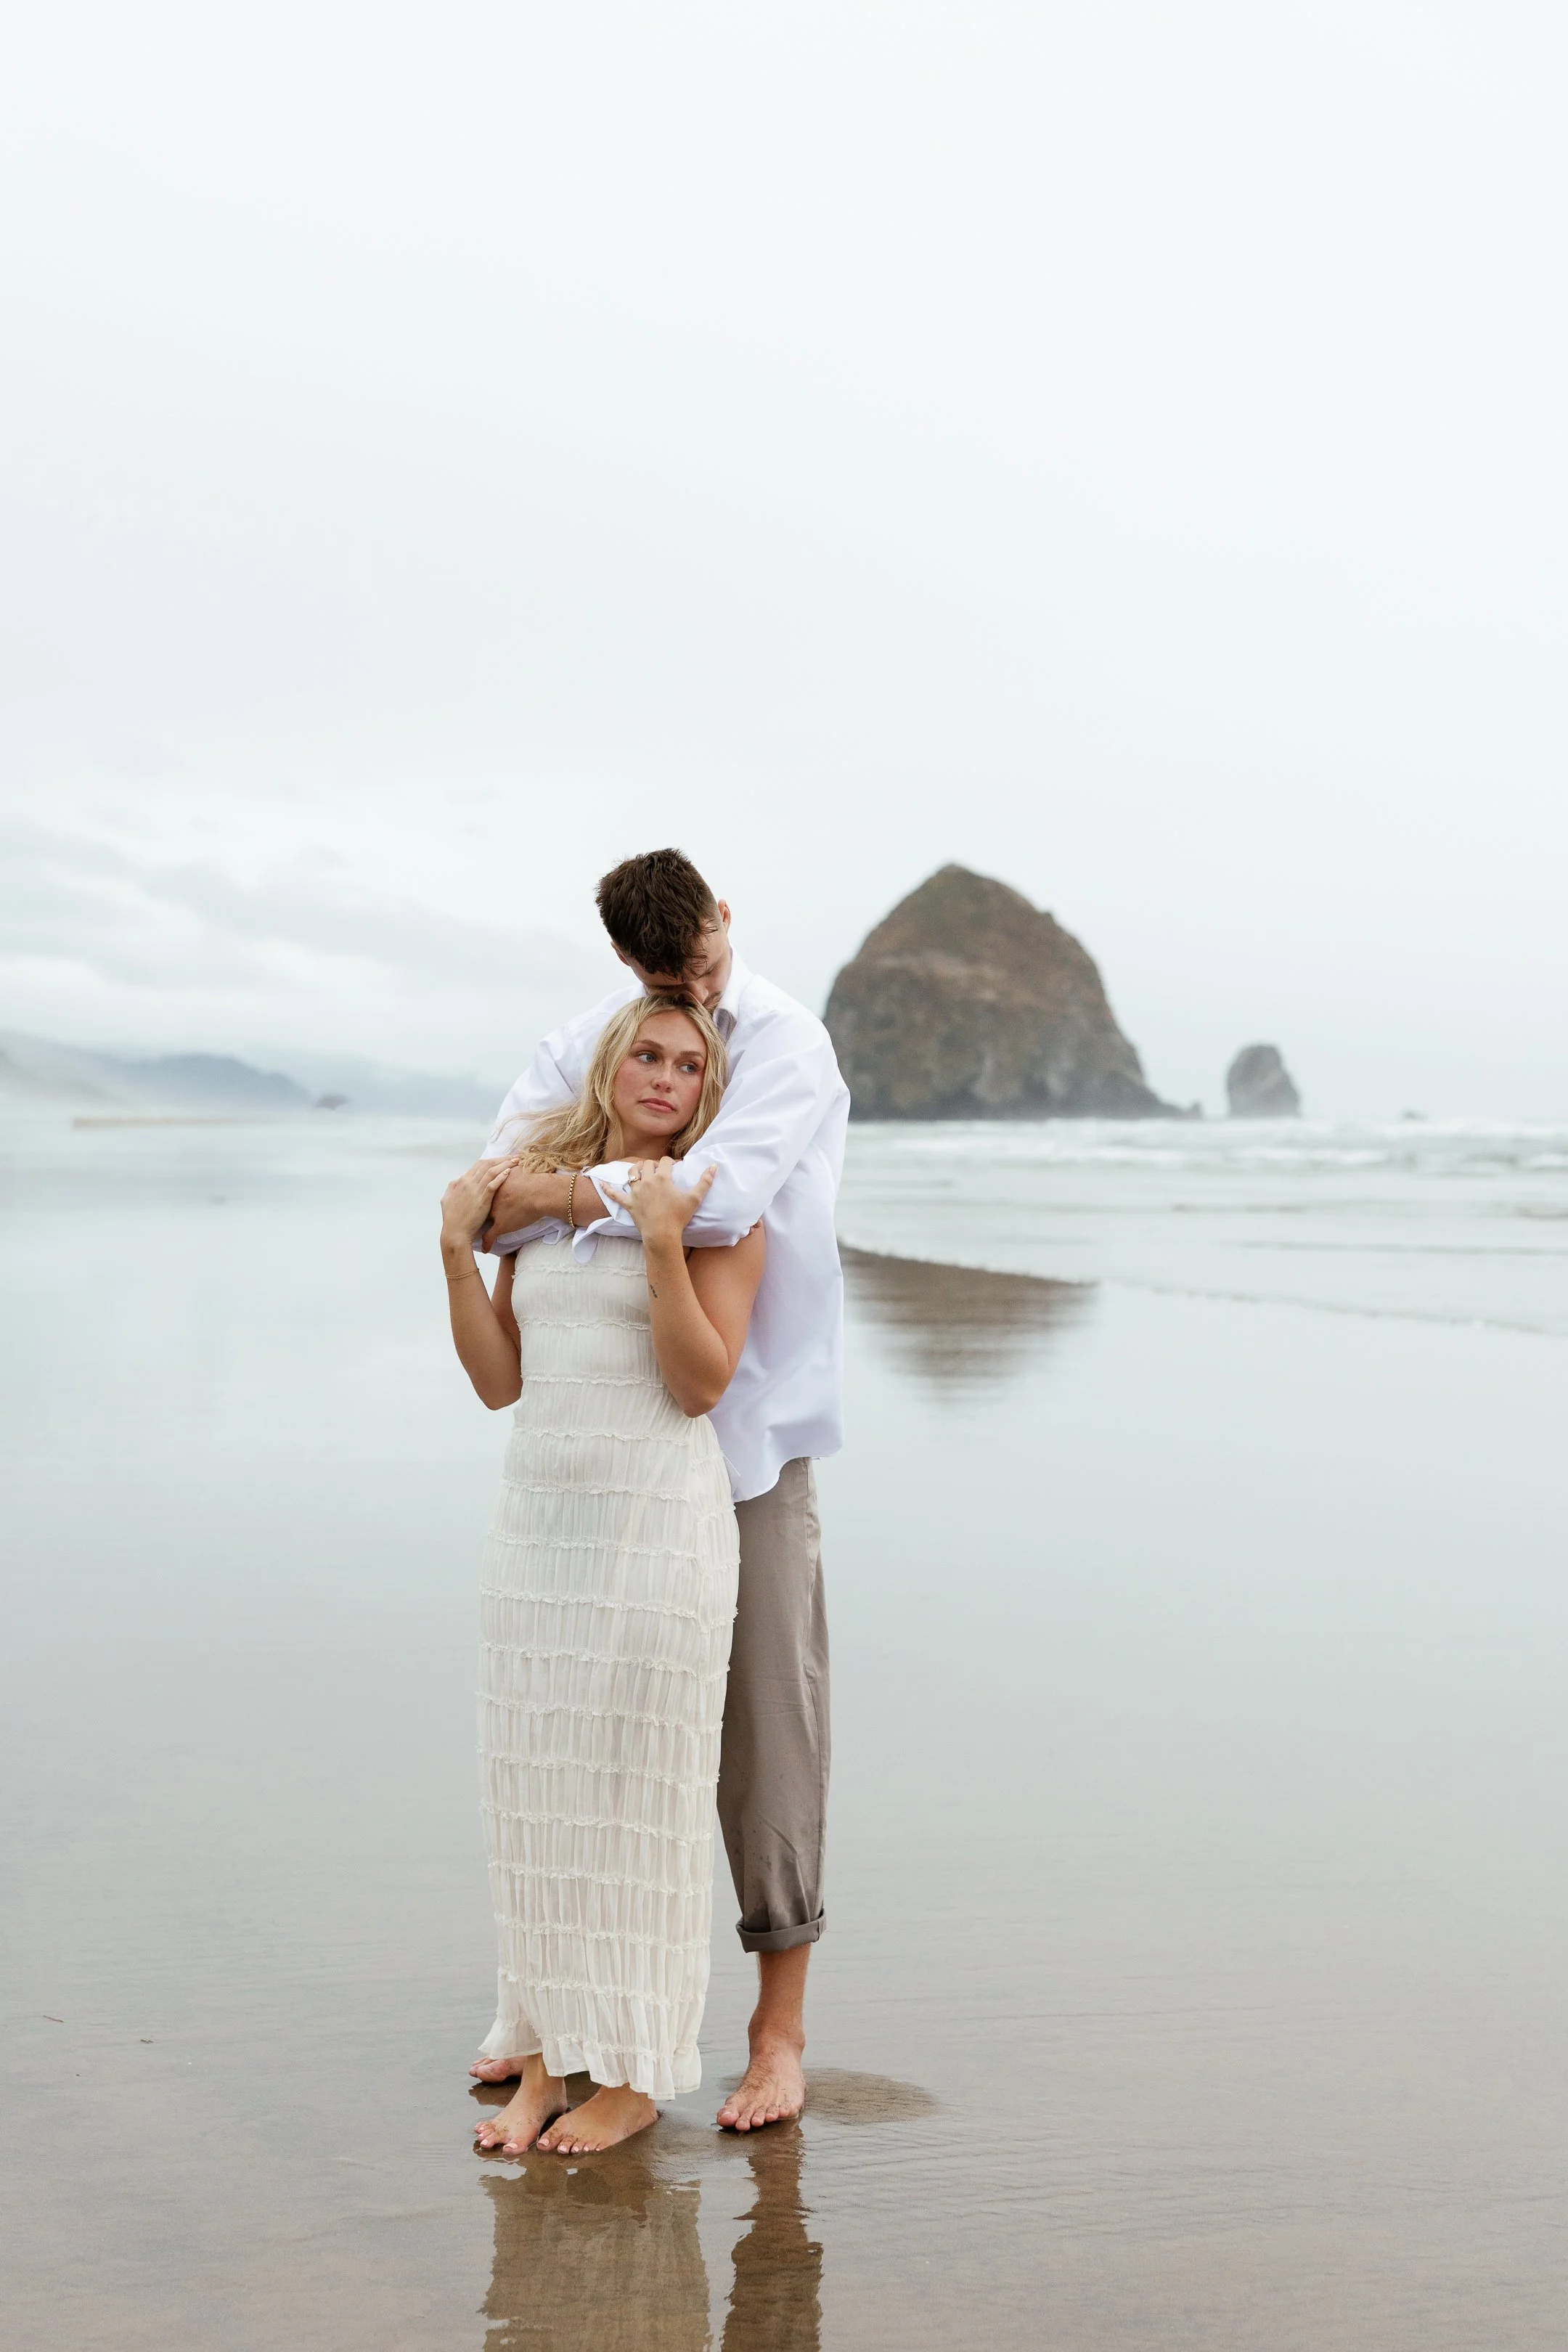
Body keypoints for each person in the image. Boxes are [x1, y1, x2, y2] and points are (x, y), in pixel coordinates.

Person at [474, 848, 849, 2132]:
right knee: (582, 1734)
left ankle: (776, 2033)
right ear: (629, 967)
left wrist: (573, 1193)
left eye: (699, 963)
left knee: (765, 1740)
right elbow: (489, 1188)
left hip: (743, 1436)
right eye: (660, 980)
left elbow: (717, 1200)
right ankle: (563, 2016)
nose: (688, 992)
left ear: (725, 920)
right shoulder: (601, 1032)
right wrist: (611, 1192)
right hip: (608, 1453)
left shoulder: (789, 1043)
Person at [441, 992, 766, 2155]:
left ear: (707, 1094)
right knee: (536, 1798)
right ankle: (541, 2061)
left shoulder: (719, 1207)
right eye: (649, 1053)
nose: (667, 1078)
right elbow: (498, 1384)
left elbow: (700, 1385)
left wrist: (667, 1242)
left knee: (641, 1799)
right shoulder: (533, 1195)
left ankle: (630, 2072)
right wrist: (452, 1260)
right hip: (539, 1533)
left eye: (691, 1066)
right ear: (610, 1064)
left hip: (657, 1535)